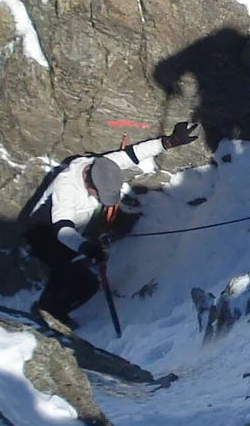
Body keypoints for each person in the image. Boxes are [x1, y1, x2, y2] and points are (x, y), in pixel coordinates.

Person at [24, 122, 196, 325]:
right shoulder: (66, 187)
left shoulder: (102, 164)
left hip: (73, 231)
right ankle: (49, 313)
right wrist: (86, 247)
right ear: (89, 183)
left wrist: (169, 142)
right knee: (85, 284)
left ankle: (47, 307)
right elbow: (62, 229)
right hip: (45, 233)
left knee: (67, 273)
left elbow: (133, 154)